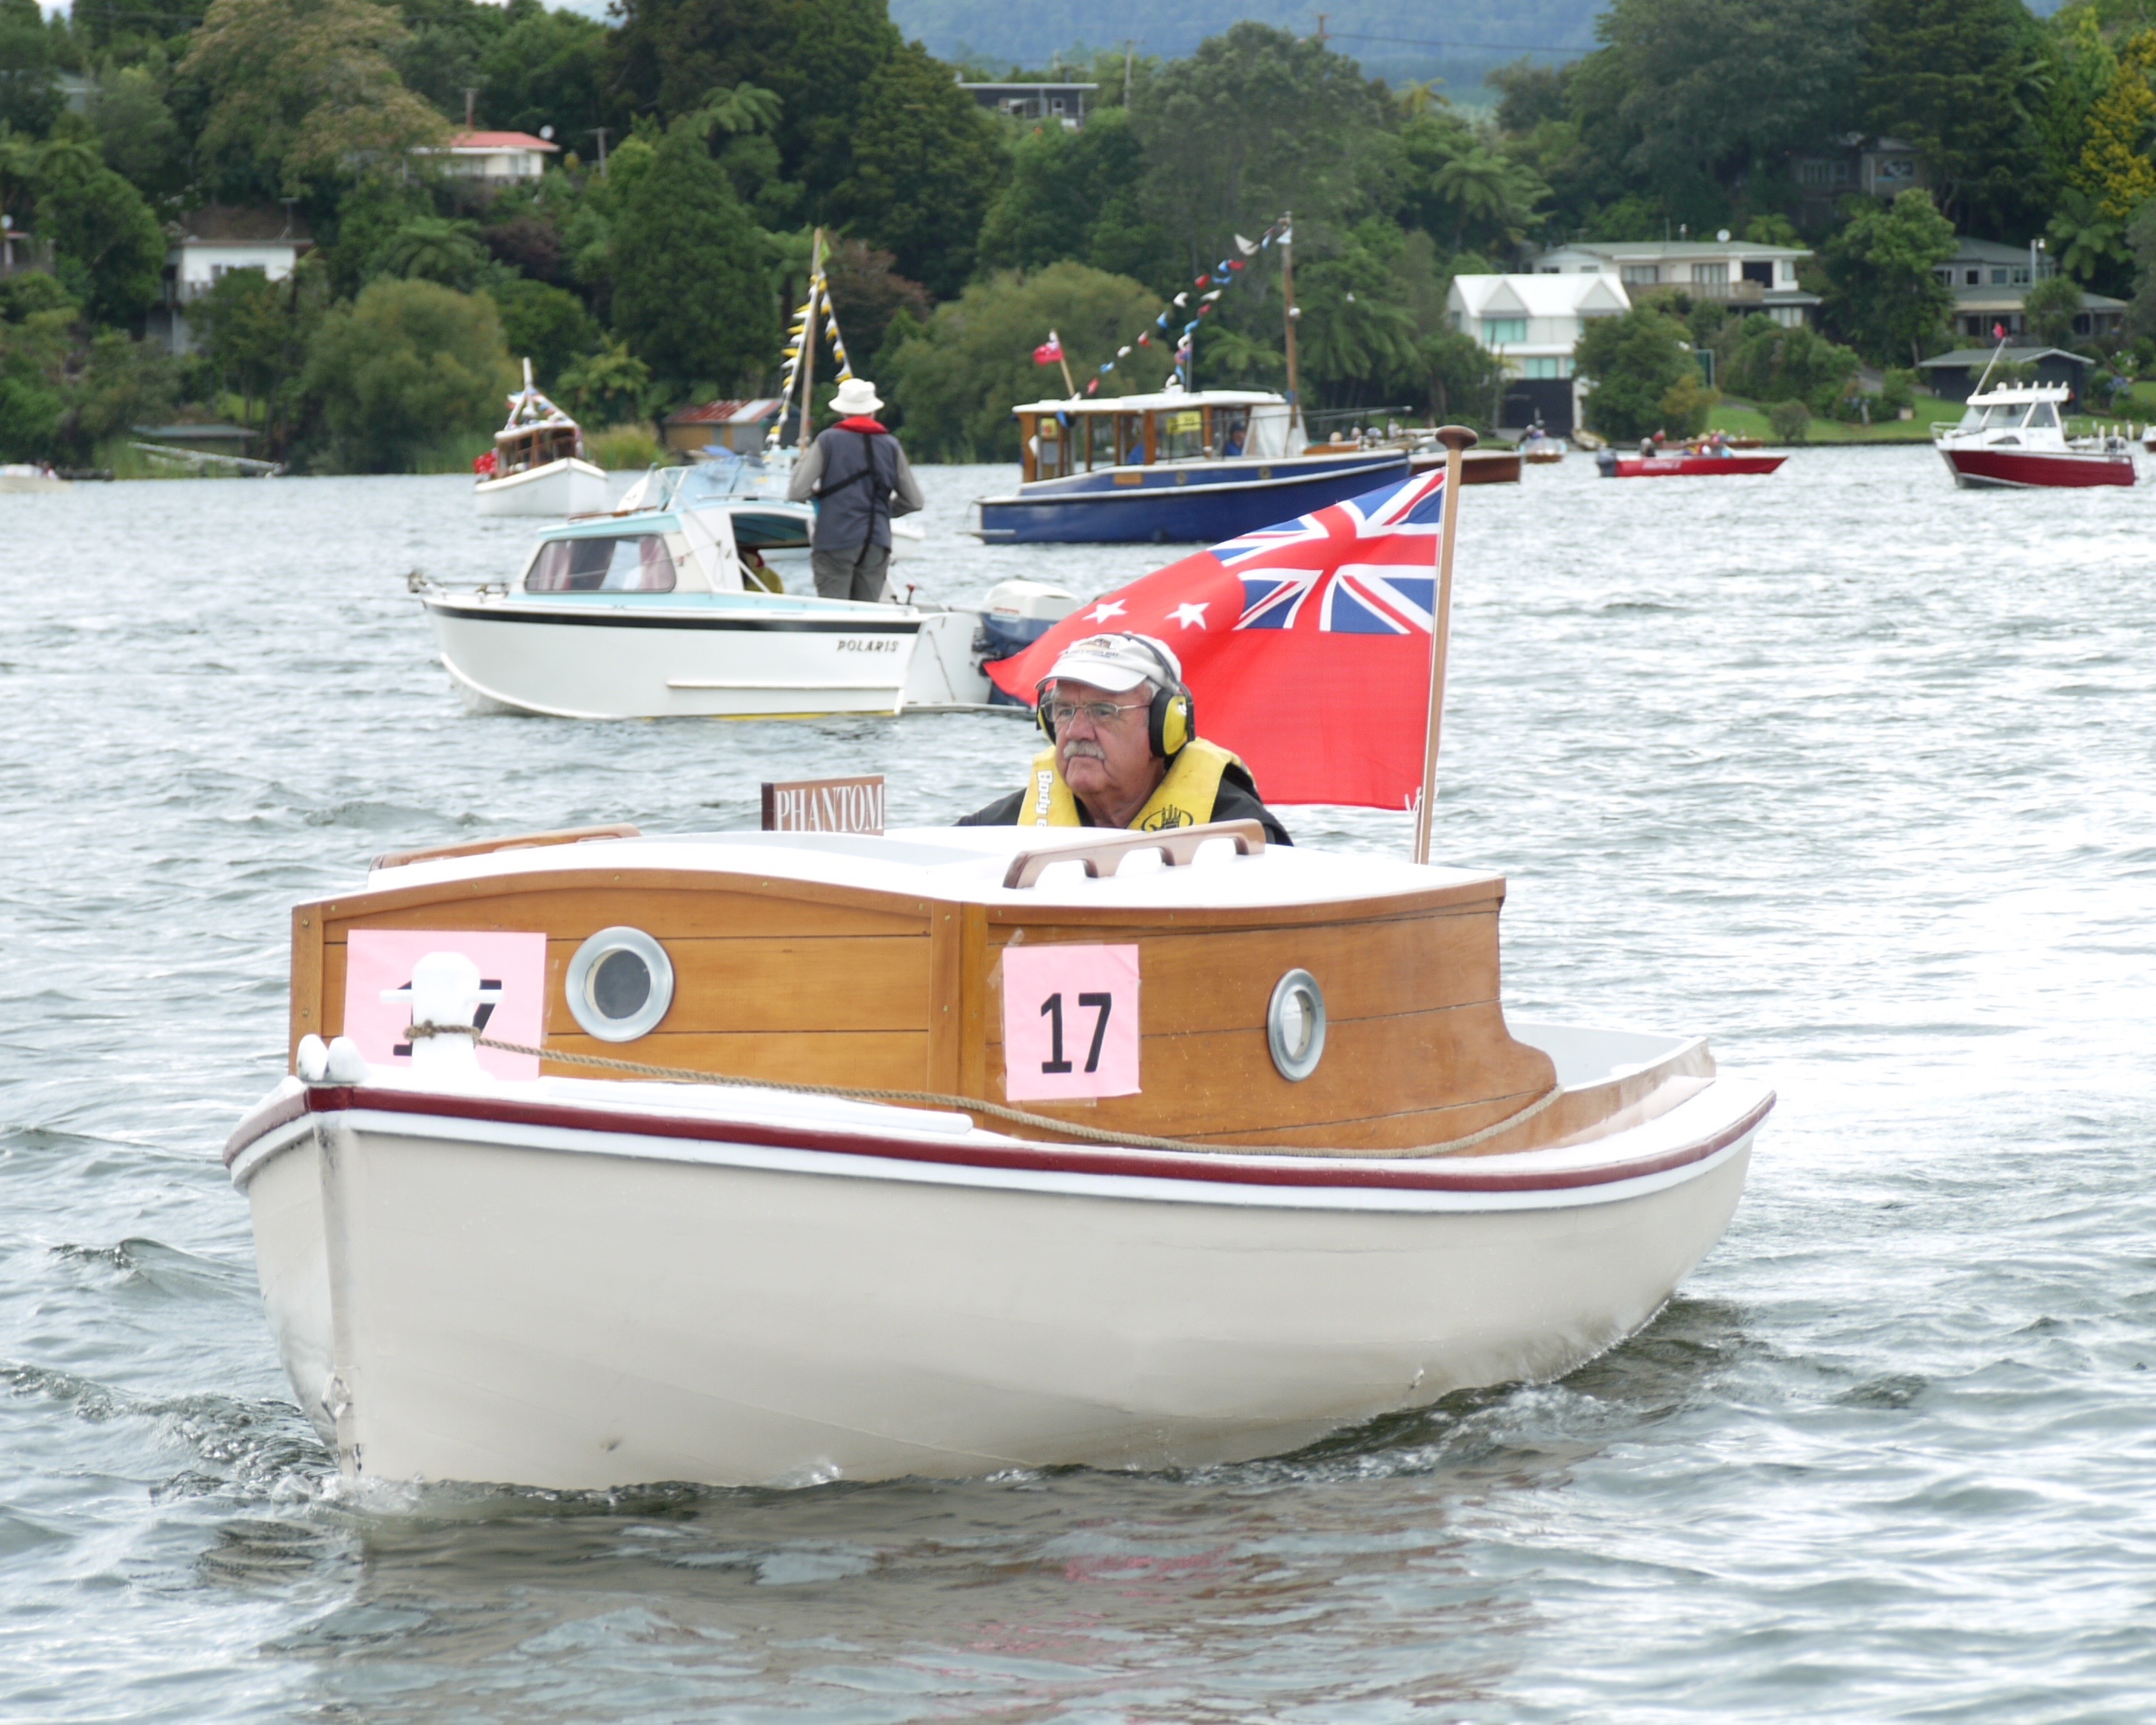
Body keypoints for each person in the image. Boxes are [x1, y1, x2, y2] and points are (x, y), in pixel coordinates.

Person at [958, 633, 1292, 843]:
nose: (1076, 732)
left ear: (1164, 726)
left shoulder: (1242, 836)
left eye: (1104, 712)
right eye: (1064, 711)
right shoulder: (993, 831)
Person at [787, 376, 924, 603]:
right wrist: (882, 511)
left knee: (835, 612)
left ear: (842, 411)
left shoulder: (827, 440)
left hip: (835, 539)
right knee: (867, 612)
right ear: (873, 411)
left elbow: (796, 492)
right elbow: (915, 501)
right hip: (877, 542)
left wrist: (825, 502)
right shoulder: (891, 444)